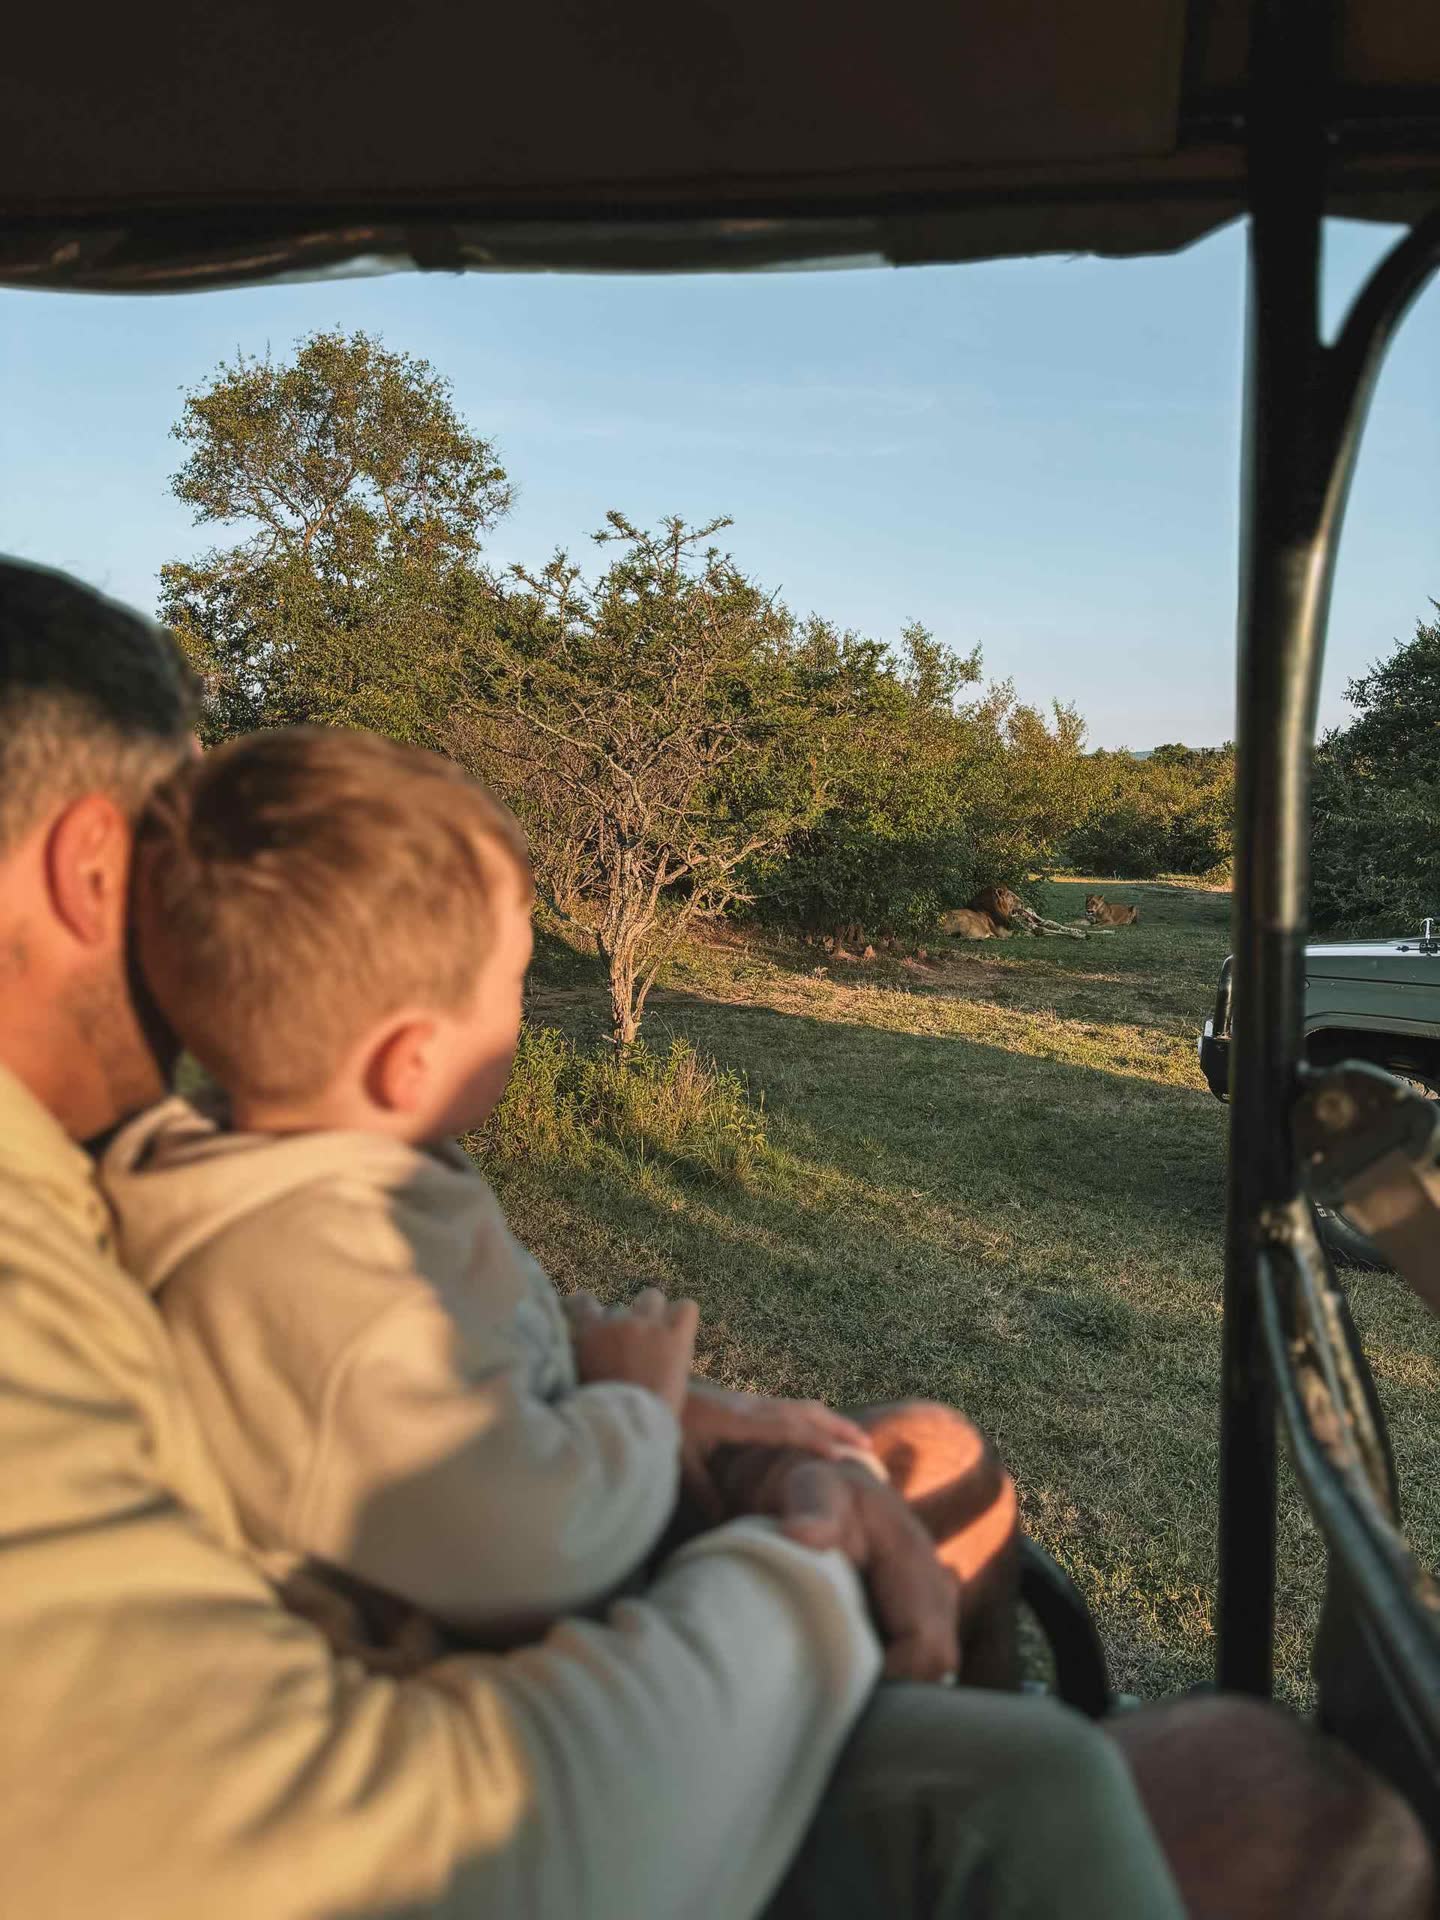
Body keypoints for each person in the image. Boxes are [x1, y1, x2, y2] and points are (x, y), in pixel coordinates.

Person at [1, 555, 1427, 1920]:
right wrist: (776, 1541)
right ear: (85, 869)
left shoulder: (150, 1167)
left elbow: (403, 1340)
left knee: (931, 1460)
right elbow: (420, 1806)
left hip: (535, 1643)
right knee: (1265, 1817)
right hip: (521, 1759)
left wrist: (705, 1424)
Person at [100, 723, 883, 1655]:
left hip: (580, 1579)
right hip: (533, 1689)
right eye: (513, 979)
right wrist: (636, 1399)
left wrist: (646, 1383)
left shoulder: (345, 1180)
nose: (522, 1005)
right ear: (411, 1062)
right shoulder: (320, 1285)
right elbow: (538, 1544)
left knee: (906, 1448)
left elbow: (493, 1352)